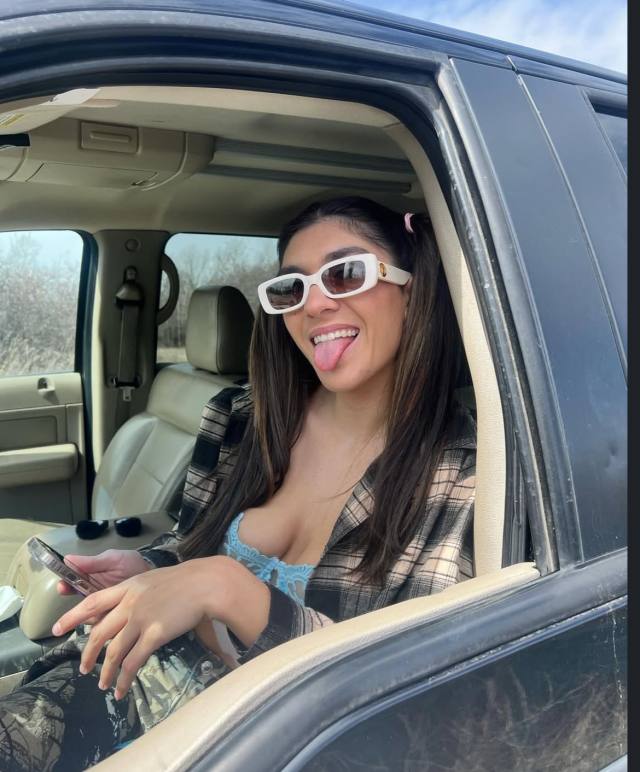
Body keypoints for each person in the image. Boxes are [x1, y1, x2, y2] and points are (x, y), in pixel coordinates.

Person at [0, 196, 476, 771]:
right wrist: (153, 567)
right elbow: (190, 544)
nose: (314, 305)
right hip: (135, 672)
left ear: (411, 287)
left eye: (346, 273)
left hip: (271, 744)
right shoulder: (240, 419)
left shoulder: (463, 476)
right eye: (292, 288)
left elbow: (402, 701)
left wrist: (226, 587)